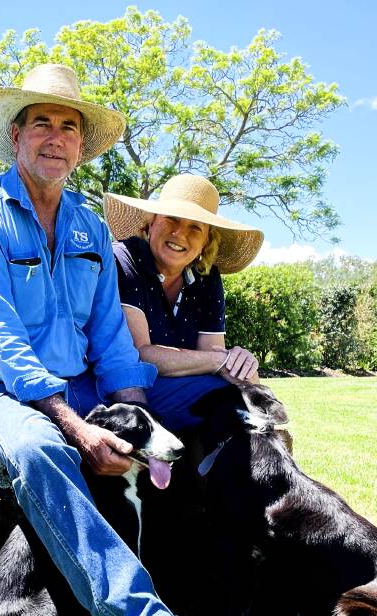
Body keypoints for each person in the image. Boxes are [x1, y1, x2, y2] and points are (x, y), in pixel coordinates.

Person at [0, 64, 178, 616]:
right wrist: (78, 427)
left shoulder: (89, 227)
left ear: (79, 147)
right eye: (41, 123)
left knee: (170, 440)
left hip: (83, 385)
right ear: (16, 137)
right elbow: (0, 339)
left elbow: (110, 334)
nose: (56, 137)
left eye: (69, 127)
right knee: (41, 451)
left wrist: (137, 411)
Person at [105, 174, 265, 430]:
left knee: (245, 387)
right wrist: (219, 361)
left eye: (196, 228)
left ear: (206, 242)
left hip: (181, 387)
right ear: (151, 223)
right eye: (172, 218)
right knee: (231, 397)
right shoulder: (125, 260)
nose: (180, 233)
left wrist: (238, 364)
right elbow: (139, 354)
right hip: (126, 390)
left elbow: (212, 352)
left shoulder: (207, 277)